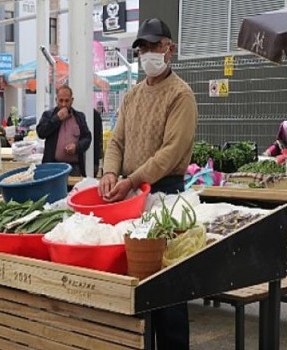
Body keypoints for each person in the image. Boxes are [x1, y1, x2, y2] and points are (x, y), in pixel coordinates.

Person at [99, 18, 198, 350]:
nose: (149, 54)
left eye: (156, 46)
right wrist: (110, 174)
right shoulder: (131, 96)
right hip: (130, 198)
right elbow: (116, 142)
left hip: (166, 195)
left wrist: (132, 179)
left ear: (170, 48)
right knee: (137, 283)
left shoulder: (181, 95)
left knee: (167, 287)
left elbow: (171, 153)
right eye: (143, 48)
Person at [36, 85, 92, 177]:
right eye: (61, 100)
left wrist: (76, 147)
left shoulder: (79, 117)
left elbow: (87, 138)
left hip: (74, 168)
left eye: (67, 101)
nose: (64, 104)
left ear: (72, 100)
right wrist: (57, 119)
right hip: (53, 167)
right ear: (56, 100)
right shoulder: (48, 115)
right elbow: (41, 132)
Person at [93, 101, 104, 177]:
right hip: (95, 157)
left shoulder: (96, 116)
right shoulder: (96, 115)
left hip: (94, 156)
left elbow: (100, 138)